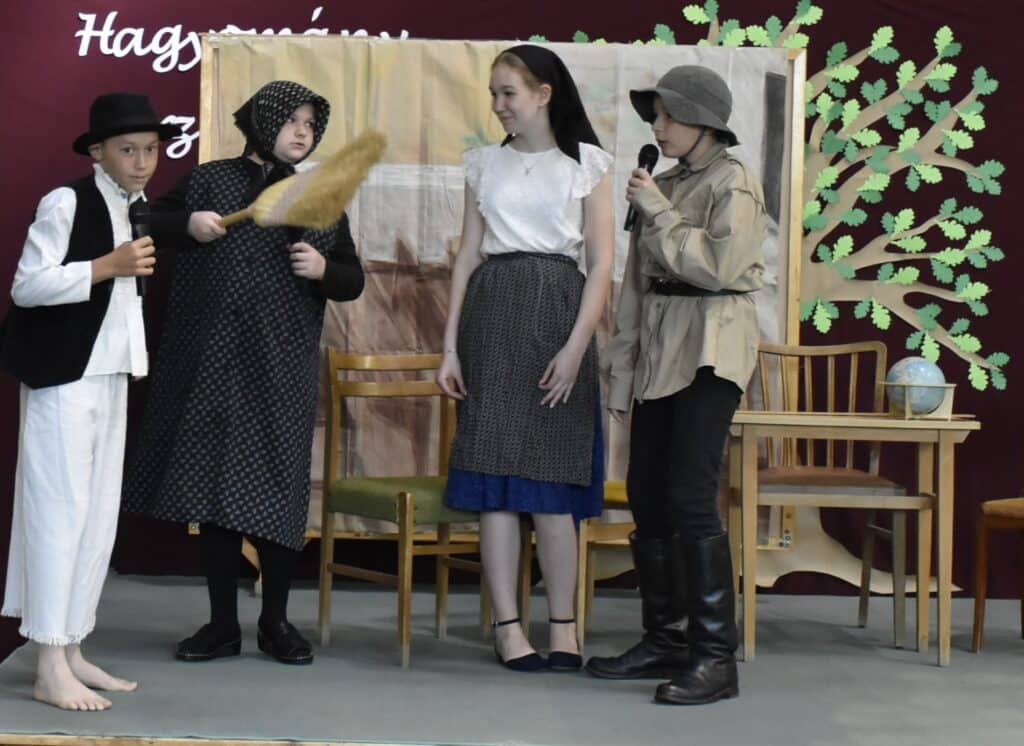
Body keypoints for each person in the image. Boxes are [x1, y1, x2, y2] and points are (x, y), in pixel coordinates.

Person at [122, 80, 364, 665]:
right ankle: (222, 625)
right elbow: (145, 220)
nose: (304, 132)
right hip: (212, 362)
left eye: (311, 125)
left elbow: (351, 279)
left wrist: (323, 269)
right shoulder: (209, 181)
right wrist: (189, 225)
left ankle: (275, 622)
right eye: (293, 121)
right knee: (214, 489)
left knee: (277, 487)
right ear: (263, 121)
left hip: (280, 365)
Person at [586, 66, 767, 704]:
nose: (657, 127)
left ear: (703, 121)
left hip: (712, 347)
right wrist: (620, 372)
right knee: (647, 491)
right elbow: (637, 289)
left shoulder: (733, 182)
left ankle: (716, 658)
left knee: (691, 494)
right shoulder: (660, 186)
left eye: (667, 115)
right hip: (659, 352)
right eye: (655, 115)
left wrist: (658, 211)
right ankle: (665, 639)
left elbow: (719, 267)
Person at [0, 93, 180, 710]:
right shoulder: (66, 201)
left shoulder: (137, 207)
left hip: (108, 373)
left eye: (150, 150)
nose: (142, 162)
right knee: (61, 511)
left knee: (97, 516)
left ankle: (72, 647)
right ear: (98, 152)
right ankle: (49, 663)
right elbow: (27, 287)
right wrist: (106, 265)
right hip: (63, 378)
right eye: (128, 150)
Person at [438, 45, 613, 672]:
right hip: (492, 320)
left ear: (543, 94)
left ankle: (564, 626)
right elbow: (466, 255)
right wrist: (450, 346)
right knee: (496, 485)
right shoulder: (483, 164)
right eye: (494, 93)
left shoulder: (586, 164)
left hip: (560, 316)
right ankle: (508, 628)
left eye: (508, 92)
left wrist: (575, 347)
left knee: (553, 483)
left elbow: (601, 265)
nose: (498, 104)